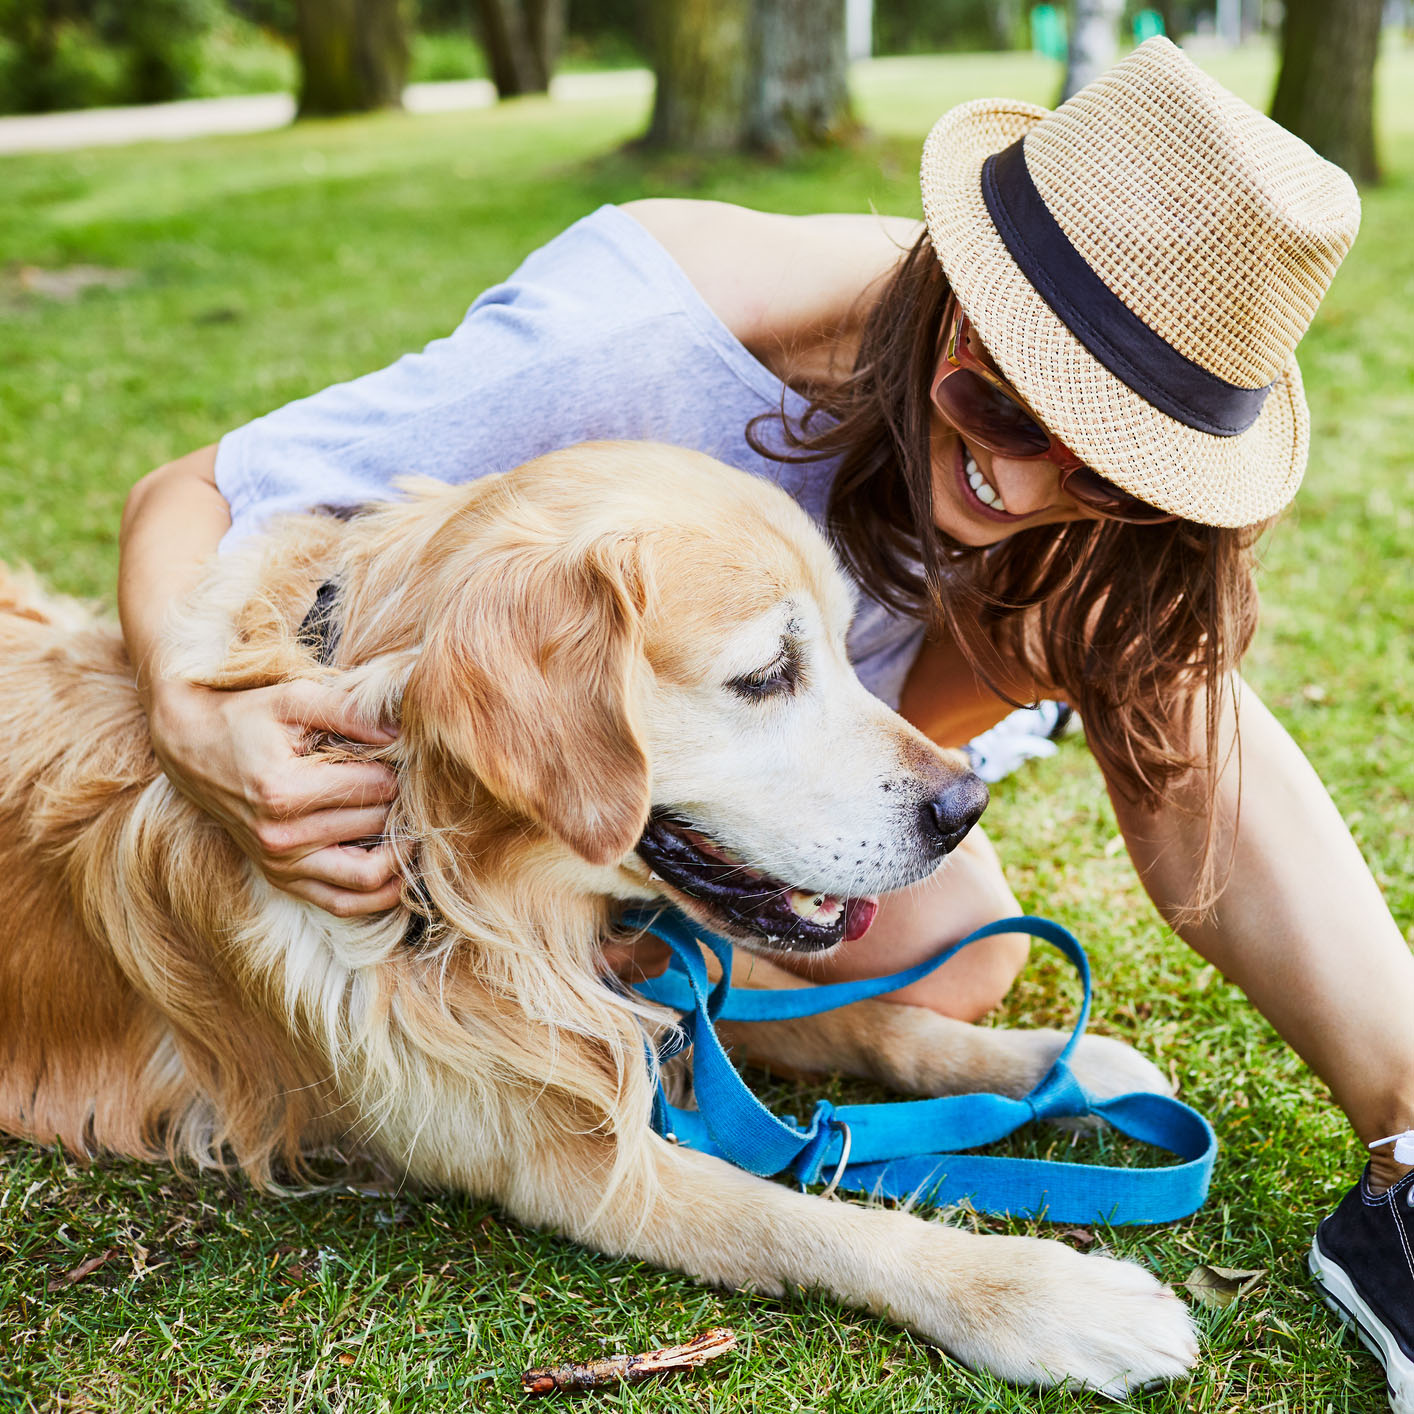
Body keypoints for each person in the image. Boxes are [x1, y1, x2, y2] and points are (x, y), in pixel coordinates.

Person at [116, 37, 1412, 1399]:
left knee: (966, 924)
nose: (1032, 488)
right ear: (948, 281)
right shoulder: (629, 330)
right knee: (910, 942)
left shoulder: (1055, 506)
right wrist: (197, 719)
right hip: (541, 717)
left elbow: (1177, 755)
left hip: (767, 730)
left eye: (1118, 472)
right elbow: (189, 493)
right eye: (1006, 408)